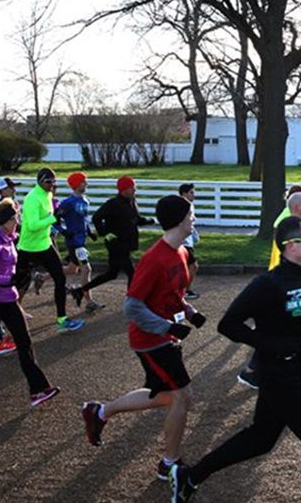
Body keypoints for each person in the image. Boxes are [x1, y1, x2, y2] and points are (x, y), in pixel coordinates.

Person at [170, 216, 301, 503]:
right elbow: (229, 324)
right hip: (279, 374)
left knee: (261, 439)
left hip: (298, 370)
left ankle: (191, 476)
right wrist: (270, 344)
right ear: (289, 245)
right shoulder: (267, 284)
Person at [80, 195, 204, 482]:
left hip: (165, 335)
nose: (194, 218)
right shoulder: (154, 259)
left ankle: (99, 411)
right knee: (182, 396)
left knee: (166, 396)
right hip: (150, 339)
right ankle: (169, 463)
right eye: (191, 213)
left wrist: (189, 311)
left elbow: (173, 293)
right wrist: (167, 327)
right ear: (180, 219)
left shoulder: (182, 253)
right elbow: (132, 306)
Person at [0, 199, 60, 406]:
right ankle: (38, 389)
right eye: (14, 217)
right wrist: (10, 280)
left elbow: (9, 269)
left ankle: (38, 390)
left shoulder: (9, 240)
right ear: (3, 221)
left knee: (24, 342)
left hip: (8, 299)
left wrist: (20, 274)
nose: (17, 220)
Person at [241, 190, 301, 390]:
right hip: (282, 284)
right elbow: (281, 260)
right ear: (298, 208)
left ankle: (263, 371)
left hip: (290, 282)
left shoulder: (298, 226)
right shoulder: (289, 229)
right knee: (277, 329)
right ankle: (252, 371)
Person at [15, 168, 84, 332]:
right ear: (40, 181)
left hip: (45, 245)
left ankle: (62, 320)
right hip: (28, 248)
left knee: (60, 279)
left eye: (54, 182)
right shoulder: (32, 198)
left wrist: (57, 225)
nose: (52, 185)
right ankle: (9, 318)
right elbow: (32, 226)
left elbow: (48, 220)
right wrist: (54, 218)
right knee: (20, 286)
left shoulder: (48, 195)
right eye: (48, 182)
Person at [73, 176, 153, 303]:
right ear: (124, 189)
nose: (135, 190)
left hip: (126, 243)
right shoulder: (113, 204)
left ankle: (80, 291)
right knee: (132, 272)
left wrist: (149, 220)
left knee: (112, 274)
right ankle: (132, 300)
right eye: (132, 187)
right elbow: (96, 218)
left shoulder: (131, 202)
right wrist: (105, 234)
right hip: (116, 244)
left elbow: (135, 219)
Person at [56, 172, 103, 312]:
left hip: (81, 240)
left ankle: (43, 277)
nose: (86, 184)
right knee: (87, 269)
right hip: (74, 242)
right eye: (84, 182)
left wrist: (89, 232)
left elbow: (83, 220)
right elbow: (54, 220)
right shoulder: (67, 203)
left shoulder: (85, 200)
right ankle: (88, 301)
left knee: (72, 269)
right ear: (76, 184)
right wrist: (64, 231)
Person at [179, 183, 200, 301]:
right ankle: (185, 290)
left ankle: (184, 290)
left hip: (188, 241)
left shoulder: (190, 205)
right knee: (193, 266)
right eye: (191, 192)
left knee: (188, 267)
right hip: (184, 242)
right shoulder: (183, 206)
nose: (194, 195)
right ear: (184, 194)